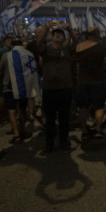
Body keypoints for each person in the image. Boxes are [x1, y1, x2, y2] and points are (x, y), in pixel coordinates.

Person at [75, 27, 106, 137]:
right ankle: (98, 130)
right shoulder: (101, 47)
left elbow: (77, 65)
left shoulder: (79, 47)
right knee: (99, 107)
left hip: (83, 81)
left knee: (83, 107)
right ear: (95, 35)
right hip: (97, 80)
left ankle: (83, 130)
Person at [37, 25, 74, 153]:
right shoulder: (46, 50)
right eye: (55, 34)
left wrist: (69, 29)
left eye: (60, 33)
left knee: (64, 118)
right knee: (50, 119)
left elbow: (75, 38)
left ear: (64, 38)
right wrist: (46, 28)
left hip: (65, 89)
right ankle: (49, 145)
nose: (58, 35)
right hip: (50, 90)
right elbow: (39, 43)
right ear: (51, 37)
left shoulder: (67, 50)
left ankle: (64, 142)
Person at [0, 38, 39, 143]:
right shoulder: (29, 54)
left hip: (9, 87)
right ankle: (22, 130)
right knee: (22, 110)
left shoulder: (7, 56)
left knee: (11, 111)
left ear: (12, 45)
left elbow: (1, 70)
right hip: (24, 86)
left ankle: (16, 134)